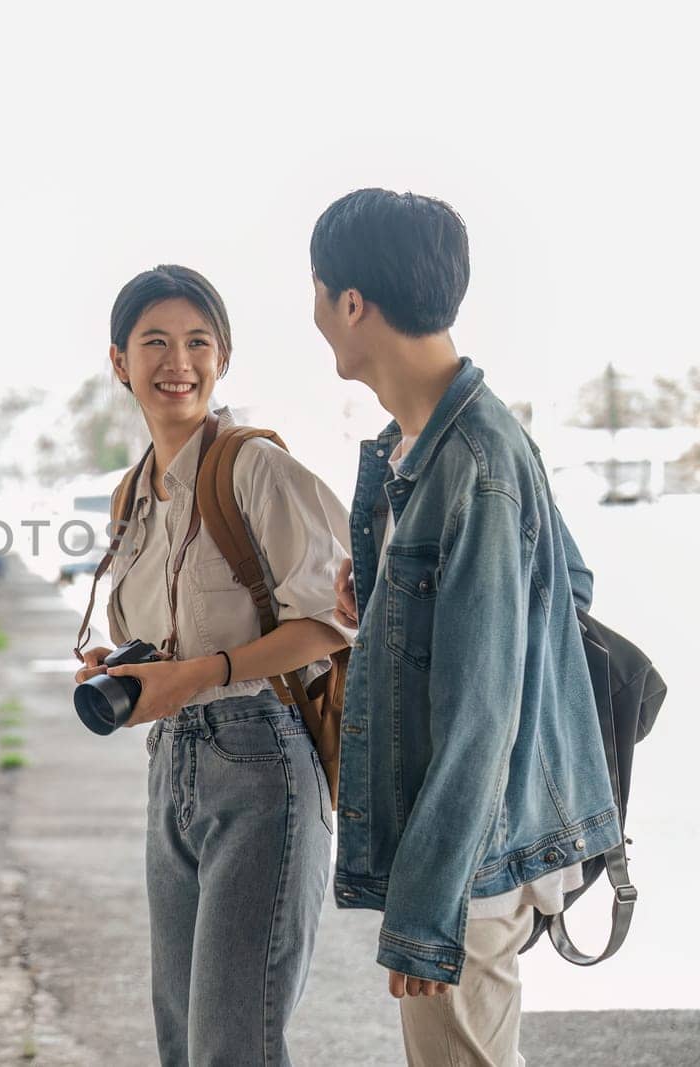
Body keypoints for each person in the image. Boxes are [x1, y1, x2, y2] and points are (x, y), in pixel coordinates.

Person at [312, 189, 619, 1065]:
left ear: (353, 304)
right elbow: (568, 586)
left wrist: (427, 905)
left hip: (472, 862)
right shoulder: (430, 444)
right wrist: (388, 601)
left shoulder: (474, 460)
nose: (315, 314)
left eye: (317, 291)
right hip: (480, 848)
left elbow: (483, 708)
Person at [73, 265, 353, 1065]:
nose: (178, 362)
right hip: (173, 765)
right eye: (154, 341)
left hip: (263, 762)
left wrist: (201, 673)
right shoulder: (133, 495)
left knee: (233, 1043)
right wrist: (118, 666)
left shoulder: (256, 470)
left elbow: (333, 624)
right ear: (120, 361)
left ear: (223, 357)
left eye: (198, 342)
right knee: (183, 1039)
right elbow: (163, 638)